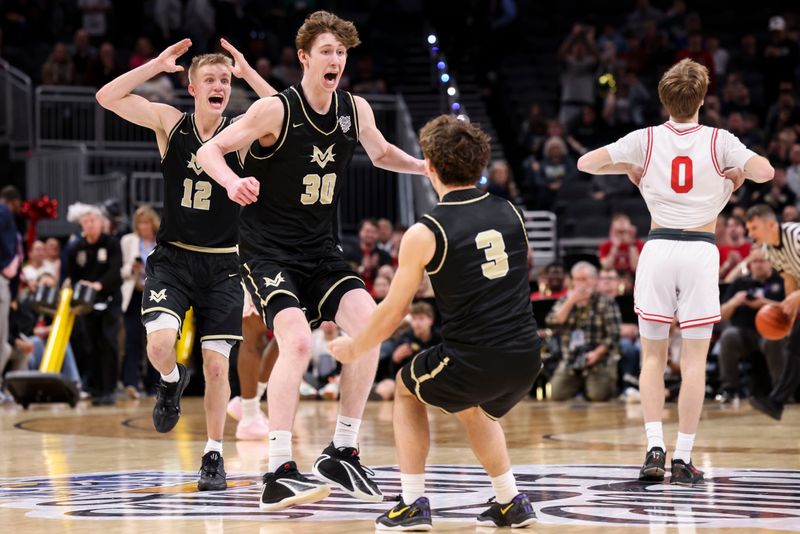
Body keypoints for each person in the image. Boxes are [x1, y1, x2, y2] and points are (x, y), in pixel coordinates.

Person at [198, 10, 427, 510]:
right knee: (297, 342)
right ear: (304, 57)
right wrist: (232, 182)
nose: (336, 60)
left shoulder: (354, 108)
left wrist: (422, 166)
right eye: (326, 51)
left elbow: (383, 153)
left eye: (341, 52)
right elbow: (210, 152)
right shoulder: (275, 111)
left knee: (370, 327)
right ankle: (278, 468)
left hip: (321, 247)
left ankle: (343, 449)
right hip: (266, 250)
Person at [328, 115, 540, 530]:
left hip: (475, 357)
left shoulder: (427, 231)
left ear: (428, 165)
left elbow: (391, 310)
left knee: (407, 390)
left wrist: (355, 348)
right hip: (527, 355)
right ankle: (510, 500)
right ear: (481, 163)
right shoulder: (510, 211)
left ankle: (410, 502)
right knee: (470, 406)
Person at [577, 58, 773, 485]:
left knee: (652, 356)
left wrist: (631, 168)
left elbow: (586, 163)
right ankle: (683, 456)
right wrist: (735, 176)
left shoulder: (646, 138)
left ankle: (653, 448)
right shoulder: (719, 139)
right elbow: (766, 172)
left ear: (664, 100)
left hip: (659, 246)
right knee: (694, 360)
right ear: (702, 99)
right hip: (701, 250)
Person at [96, 37, 276, 491]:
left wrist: (249, 72)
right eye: (209, 79)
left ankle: (213, 454)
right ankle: (171, 381)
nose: (218, 85)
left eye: (224, 79)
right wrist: (155, 66)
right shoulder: (170, 123)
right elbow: (106, 97)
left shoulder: (241, 133)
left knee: (218, 367)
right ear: (193, 88)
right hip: (173, 260)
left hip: (222, 266)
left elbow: (282, 113)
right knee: (159, 348)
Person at [744, 204, 800, 420]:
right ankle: (776, 401)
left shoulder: (795, 236)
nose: (751, 234)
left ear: (770, 224)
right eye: (748, 229)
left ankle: (776, 401)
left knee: (795, 341)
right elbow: (789, 278)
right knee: (795, 340)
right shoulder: (768, 250)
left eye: (754, 228)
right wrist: (789, 310)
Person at [66, 205, 122, 406]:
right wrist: (79, 287)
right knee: (91, 344)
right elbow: (71, 275)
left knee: (109, 341)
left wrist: (99, 285)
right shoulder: (76, 247)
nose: (89, 225)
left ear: (101, 223)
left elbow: (116, 270)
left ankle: (110, 389)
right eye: (85, 222)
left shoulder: (111, 244)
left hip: (109, 300)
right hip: (87, 303)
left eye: (92, 221)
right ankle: (96, 389)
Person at [716, 248, 786, 403]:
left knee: (773, 340)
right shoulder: (740, 283)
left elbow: (789, 310)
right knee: (728, 336)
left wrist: (764, 304)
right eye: (754, 261)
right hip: (744, 332)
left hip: (771, 331)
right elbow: (722, 315)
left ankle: (780, 391)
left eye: (762, 261)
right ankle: (729, 389)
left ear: (771, 263)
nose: (758, 265)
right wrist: (735, 302)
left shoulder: (780, 281)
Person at [546, 262, 621, 402]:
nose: (580, 284)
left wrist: (596, 353)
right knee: (555, 395)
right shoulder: (566, 300)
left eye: (584, 279)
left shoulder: (606, 302)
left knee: (598, 396)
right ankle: (579, 386)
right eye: (577, 279)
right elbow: (552, 322)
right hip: (571, 360)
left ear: (594, 280)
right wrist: (571, 302)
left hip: (599, 360)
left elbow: (614, 335)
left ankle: (592, 385)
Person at [119, 206, 160, 398]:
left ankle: (154, 384)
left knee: (154, 340)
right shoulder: (128, 241)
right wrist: (132, 267)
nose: (143, 226)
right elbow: (122, 272)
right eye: (140, 223)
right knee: (132, 340)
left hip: (155, 296)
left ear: (153, 223)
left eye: (146, 222)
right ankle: (131, 383)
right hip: (134, 295)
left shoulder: (161, 241)